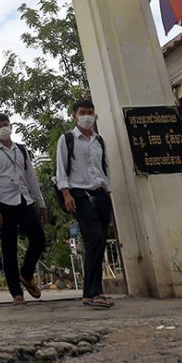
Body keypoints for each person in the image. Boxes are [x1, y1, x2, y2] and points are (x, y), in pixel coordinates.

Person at [55, 97, 115, 309]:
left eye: (90, 112)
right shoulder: (67, 139)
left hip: (100, 194)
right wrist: (66, 194)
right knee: (95, 238)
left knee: (97, 243)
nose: (87, 116)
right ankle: (94, 291)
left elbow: (103, 169)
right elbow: (61, 170)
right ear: (74, 115)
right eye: (82, 112)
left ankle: (90, 293)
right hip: (79, 194)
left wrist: (108, 194)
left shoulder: (99, 141)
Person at [0, 112, 46, 305]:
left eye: (6, 124)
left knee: (39, 238)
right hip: (4, 204)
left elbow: (31, 178)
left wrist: (40, 203)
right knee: (8, 249)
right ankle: (16, 293)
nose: (4, 128)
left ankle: (26, 273)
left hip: (24, 200)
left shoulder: (21, 150)